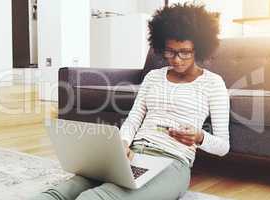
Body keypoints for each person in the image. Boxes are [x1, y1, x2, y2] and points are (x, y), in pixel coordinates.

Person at [31, 3, 230, 200]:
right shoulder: (153, 77)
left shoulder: (213, 83)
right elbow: (134, 118)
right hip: (131, 155)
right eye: (170, 51)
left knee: (96, 197)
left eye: (185, 52)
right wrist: (123, 144)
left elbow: (223, 146)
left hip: (172, 162)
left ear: (199, 48)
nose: (177, 59)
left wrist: (199, 137)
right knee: (59, 192)